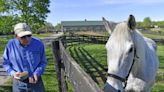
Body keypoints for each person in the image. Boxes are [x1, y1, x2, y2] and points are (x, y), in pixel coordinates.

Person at [2, 23, 47, 92]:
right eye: (23, 37)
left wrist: (37, 73)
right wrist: (13, 73)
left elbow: (43, 62)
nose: (27, 39)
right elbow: (6, 63)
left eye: (29, 35)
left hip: (36, 82)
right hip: (18, 84)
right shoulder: (10, 45)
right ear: (16, 36)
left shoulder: (39, 43)